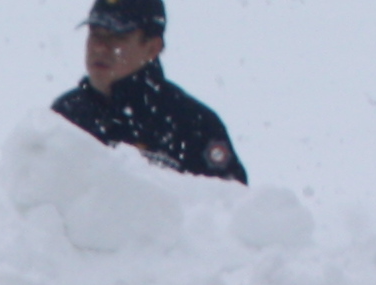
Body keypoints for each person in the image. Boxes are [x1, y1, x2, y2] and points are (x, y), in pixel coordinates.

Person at [53, 0, 246, 184]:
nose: (100, 47)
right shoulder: (65, 115)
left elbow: (229, 203)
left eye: (117, 37)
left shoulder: (194, 126)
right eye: (95, 34)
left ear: (153, 48)